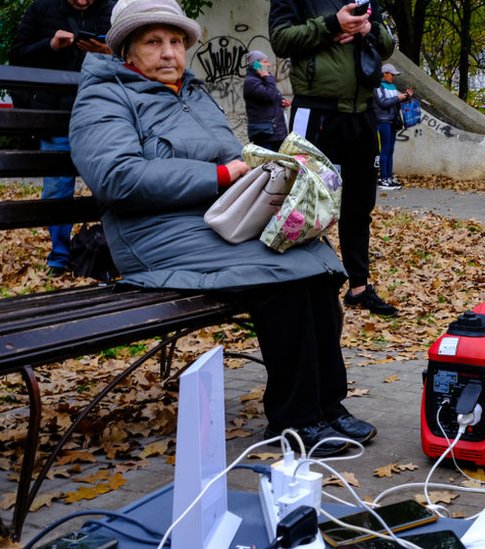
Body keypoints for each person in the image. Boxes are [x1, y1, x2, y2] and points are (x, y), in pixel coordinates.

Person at [68, 0, 377, 456]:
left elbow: (235, 157)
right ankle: (294, 421)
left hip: (219, 222)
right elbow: (118, 179)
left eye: (176, 41)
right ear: (126, 51)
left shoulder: (192, 93)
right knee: (282, 277)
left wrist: (274, 175)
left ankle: (327, 406)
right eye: (153, 42)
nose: (169, 52)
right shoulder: (106, 96)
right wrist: (217, 177)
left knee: (318, 262)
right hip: (154, 235)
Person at [269, 0, 398, 317]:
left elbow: (387, 45)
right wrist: (331, 25)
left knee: (359, 204)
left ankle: (359, 287)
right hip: (316, 110)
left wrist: (369, 29)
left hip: (363, 112)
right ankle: (301, 287)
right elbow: (281, 39)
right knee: (303, 202)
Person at [10, 0, 114, 276]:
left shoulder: (112, 10)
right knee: (57, 188)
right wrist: (50, 46)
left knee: (107, 185)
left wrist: (107, 52)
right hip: (55, 115)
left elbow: (134, 57)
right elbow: (18, 55)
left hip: (102, 114)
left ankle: (108, 250)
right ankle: (59, 257)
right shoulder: (40, 9)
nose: (83, 1)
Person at [373, 62, 413, 191]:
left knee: (390, 150)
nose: (393, 77)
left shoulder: (392, 86)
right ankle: (383, 179)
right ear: (384, 74)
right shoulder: (378, 86)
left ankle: (389, 177)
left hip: (393, 121)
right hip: (383, 121)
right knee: (385, 150)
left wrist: (406, 97)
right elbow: (383, 103)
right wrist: (398, 97)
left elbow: (396, 102)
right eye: (391, 75)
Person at [243, 50, 291, 152]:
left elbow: (272, 95)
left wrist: (281, 101)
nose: (268, 65)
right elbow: (268, 95)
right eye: (265, 62)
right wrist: (267, 76)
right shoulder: (251, 81)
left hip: (275, 132)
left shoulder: (262, 80)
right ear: (255, 64)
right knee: (268, 165)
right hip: (265, 133)